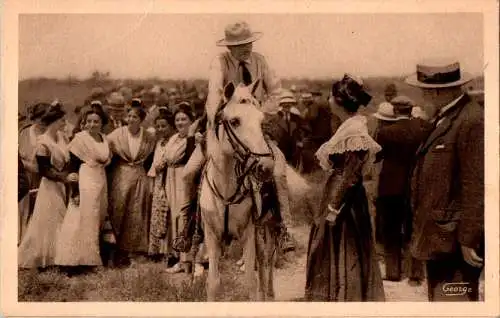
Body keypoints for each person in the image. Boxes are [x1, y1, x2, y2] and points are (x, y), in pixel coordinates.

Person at [183, 20, 295, 252]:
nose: (247, 48)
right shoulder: (220, 63)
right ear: (229, 47)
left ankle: (284, 228)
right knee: (189, 172)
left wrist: (259, 114)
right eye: (240, 44)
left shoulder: (260, 61)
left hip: (254, 125)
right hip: (225, 125)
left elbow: (275, 91)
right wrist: (218, 118)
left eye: (249, 43)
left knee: (278, 170)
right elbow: (214, 94)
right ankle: (190, 228)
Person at [406, 60, 484, 301]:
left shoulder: (471, 120)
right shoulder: (448, 116)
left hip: (454, 240)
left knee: (454, 302)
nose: (422, 95)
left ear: (438, 91)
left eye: (424, 90)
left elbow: (476, 184)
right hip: (441, 236)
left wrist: (469, 238)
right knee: (441, 300)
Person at [305, 74, 385, 301]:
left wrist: (333, 207)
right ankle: (334, 294)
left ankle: (344, 297)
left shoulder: (355, 131)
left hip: (344, 201)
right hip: (340, 195)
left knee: (344, 247)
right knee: (333, 246)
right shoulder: (347, 128)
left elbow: (350, 176)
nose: (328, 99)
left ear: (339, 101)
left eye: (331, 96)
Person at [374, 95, 430, 282]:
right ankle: (415, 273)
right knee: (414, 228)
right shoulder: (422, 130)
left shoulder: (386, 133)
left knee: (391, 229)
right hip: (415, 185)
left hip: (390, 186)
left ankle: (393, 272)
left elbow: (376, 157)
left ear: (395, 110)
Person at [54, 103, 113, 274]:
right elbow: (73, 166)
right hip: (85, 179)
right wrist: (75, 191)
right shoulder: (80, 138)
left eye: (96, 121)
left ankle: (90, 258)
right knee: (81, 217)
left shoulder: (104, 138)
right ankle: (72, 261)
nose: (92, 125)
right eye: (89, 121)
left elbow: (106, 161)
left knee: (96, 218)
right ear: (84, 123)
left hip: (100, 179)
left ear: (102, 123)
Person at [18, 103, 77, 269]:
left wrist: (69, 177)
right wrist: (63, 178)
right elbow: (44, 170)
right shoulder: (42, 142)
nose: (64, 123)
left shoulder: (63, 138)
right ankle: (51, 258)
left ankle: (62, 257)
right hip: (50, 186)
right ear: (53, 121)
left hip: (64, 185)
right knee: (52, 219)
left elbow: (68, 160)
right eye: (62, 120)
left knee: (63, 218)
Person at [107, 99, 156, 266]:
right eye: (129, 116)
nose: (131, 119)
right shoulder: (116, 135)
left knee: (137, 212)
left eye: (135, 116)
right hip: (120, 175)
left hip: (139, 176)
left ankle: (135, 250)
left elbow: (152, 158)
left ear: (141, 119)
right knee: (118, 210)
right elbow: (105, 152)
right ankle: (115, 250)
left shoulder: (149, 137)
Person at [163, 103, 198, 274]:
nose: (180, 122)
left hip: (185, 177)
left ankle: (189, 260)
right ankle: (178, 256)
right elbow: (166, 157)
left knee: (184, 216)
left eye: (184, 119)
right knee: (174, 216)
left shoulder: (193, 138)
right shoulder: (173, 138)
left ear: (191, 121)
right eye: (177, 119)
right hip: (171, 177)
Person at [18, 102, 49, 244]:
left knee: (41, 213)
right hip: (25, 178)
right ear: (35, 118)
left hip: (46, 179)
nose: (44, 122)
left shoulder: (54, 134)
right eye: (41, 118)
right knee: (24, 213)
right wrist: (26, 165)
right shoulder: (24, 133)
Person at [147, 108, 175, 261]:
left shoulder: (175, 141)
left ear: (170, 126)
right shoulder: (159, 143)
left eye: (164, 126)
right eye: (158, 126)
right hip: (159, 179)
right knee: (158, 212)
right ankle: (158, 250)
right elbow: (154, 164)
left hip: (170, 178)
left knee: (169, 212)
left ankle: (170, 250)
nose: (160, 129)